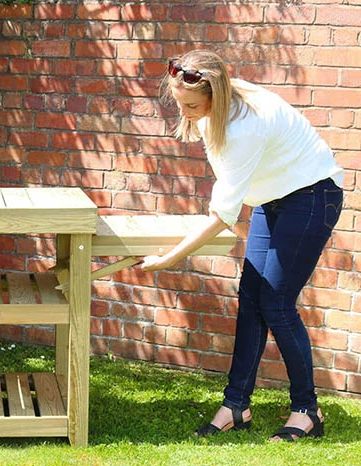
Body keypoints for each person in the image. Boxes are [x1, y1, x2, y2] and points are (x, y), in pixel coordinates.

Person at [140, 50, 344, 441]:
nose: (184, 112)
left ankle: (307, 410)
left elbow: (222, 216)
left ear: (215, 95)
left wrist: (169, 258)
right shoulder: (216, 110)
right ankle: (236, 405)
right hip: (274, 197)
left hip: (312, 196)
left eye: (191, 106)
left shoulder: (243, 128)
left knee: (276, 304)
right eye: (180, 103)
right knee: (251, 299)